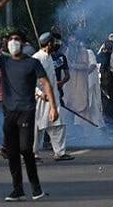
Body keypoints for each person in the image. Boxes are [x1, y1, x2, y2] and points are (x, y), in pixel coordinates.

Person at [0, 30, 57, 202]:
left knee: (26, 149)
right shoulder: (4, 61)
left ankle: (36, 188)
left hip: (26, 111)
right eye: (11, 39)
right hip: (9, 112)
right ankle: (18, 189)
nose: (13, 42)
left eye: (17, 39)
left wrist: (53, 107)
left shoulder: (33, 63)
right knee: (12, 152)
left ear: (23, 44)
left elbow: (46, 83)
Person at [32, 33, 74, 162]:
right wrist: (39, 93)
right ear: (49, 43)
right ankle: (32, 154)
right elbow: (30, 80)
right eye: (54, 42)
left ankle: (60, 153)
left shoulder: (50, 57)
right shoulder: (36, 58)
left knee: (58, 124)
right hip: (40, 98)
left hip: (53, 97)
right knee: (36, 127)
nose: (56, 44)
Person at [63, 37, 91, 125]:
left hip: (80, 83)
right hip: (70, 83)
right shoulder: (67, 52)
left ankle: (83, 129)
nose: (72, 44)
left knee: (82, 105)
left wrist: (73, 65)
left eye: (73, 42)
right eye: (70, 43)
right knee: (69, 105)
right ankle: (70, 128)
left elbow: (85, 66)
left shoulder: (83, 51)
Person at [50, 34, 70, 103]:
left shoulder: (61, 57)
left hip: (58, 91)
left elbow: (67, 75)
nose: (57, 44)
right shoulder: (44, 57)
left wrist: (61, 82)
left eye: (58, 41)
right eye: (55, 41)